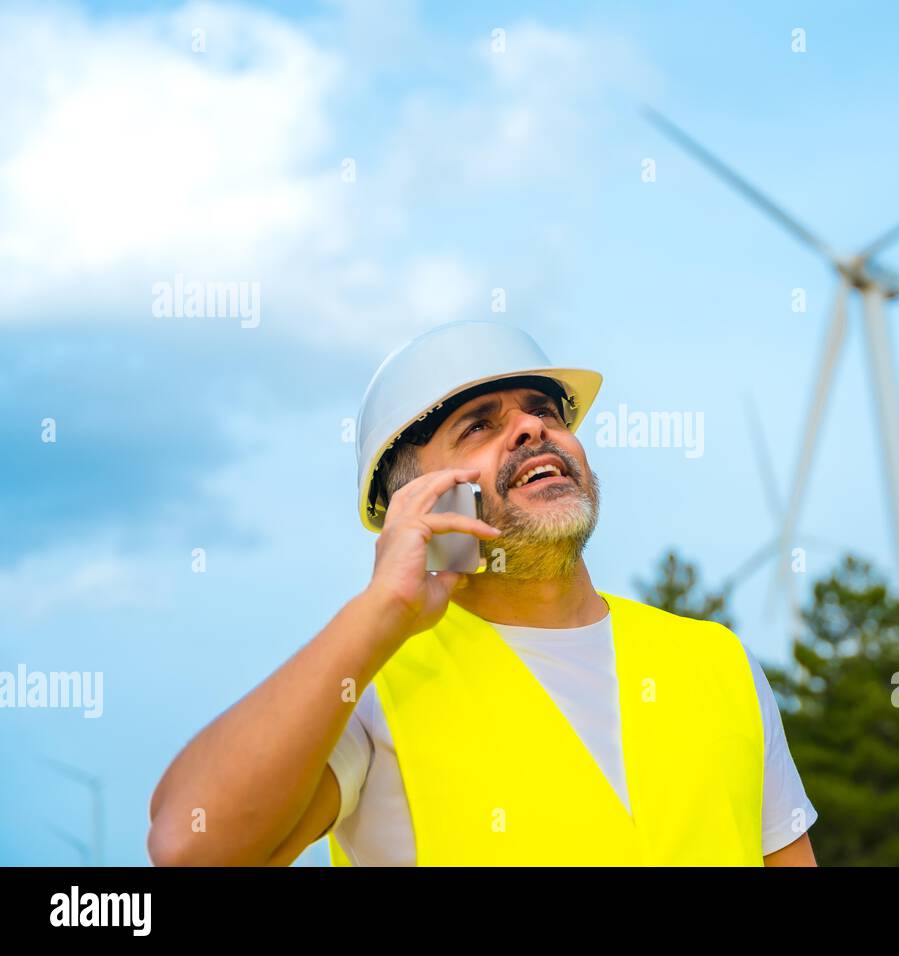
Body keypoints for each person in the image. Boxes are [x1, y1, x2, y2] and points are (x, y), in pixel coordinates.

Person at [147, 320, 818, 866]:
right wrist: (383, 608)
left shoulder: (716, 662)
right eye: (479, 424)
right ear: (415, 500)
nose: (532, 429)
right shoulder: (374, 690)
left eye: (544, 412)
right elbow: (188, 846)